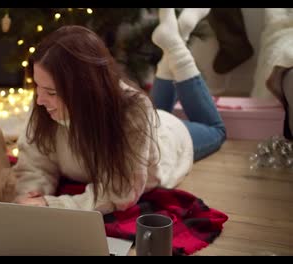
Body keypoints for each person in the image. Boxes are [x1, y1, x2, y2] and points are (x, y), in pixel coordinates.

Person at [12, 8, 225, 214]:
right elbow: (33, 163)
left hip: (169, 140)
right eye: (37, 87)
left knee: (216, 130)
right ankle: (175, 38)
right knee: (152, 109)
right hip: (149, 122)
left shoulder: (132, 112)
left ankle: (177, 46)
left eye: (51, 92)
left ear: (85, 88)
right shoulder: (43, 101)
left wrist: (51, 205)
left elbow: (119, 192)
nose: (39, 100)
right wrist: (32, 194)